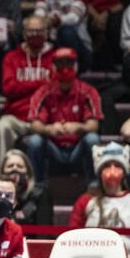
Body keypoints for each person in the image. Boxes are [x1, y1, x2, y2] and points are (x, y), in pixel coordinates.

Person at [69, 142, 130, 258]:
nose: (112, 170)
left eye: (117, 165)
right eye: (107, 165)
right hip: (92, 257)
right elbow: (72, 233)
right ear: (99, 171)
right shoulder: (86, 200)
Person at [23, 47, 102, 185]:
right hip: (54, 147)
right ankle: (38, 185)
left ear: (76, 66)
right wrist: (49, 129)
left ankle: (93, 184)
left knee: (92, 139)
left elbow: (94, 125)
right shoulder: (43, 92)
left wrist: (78, 127)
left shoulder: (88, 91)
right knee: (34, 141)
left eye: (69, 63)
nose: (65, 67)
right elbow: (34, 124)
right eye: (60, 63)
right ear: (53, 67)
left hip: (77, 146)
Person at [0, 15, 54, 162]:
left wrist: (24, 87)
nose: (34, 35)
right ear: (24, 33)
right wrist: (42, 83)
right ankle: (4, 173)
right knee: (1, 128)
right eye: (30, 31)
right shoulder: (12, 57)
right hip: (16, 116)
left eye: (39, 31)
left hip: (47, 116)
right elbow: (9, 89)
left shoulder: (55, 57)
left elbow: (55, 89)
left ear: (47, 32)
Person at [0, 149, 52, 225]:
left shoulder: (40, 193)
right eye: (10, 166)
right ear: (2, 172)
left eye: (20, 166)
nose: (15, 169)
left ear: (28, 172)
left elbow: (44, 229)